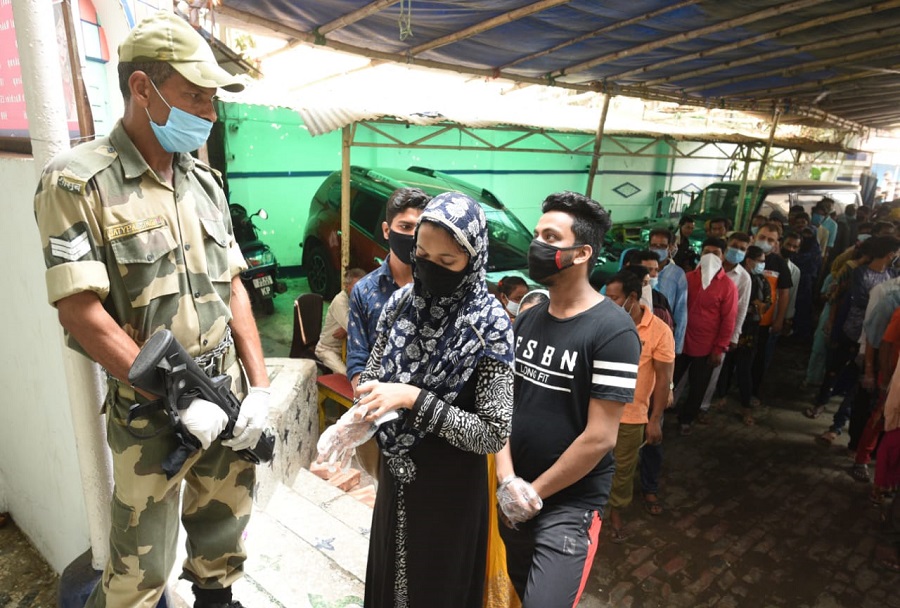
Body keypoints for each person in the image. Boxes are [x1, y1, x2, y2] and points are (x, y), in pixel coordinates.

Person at [33, 12, 269, 608]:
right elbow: (80, 311)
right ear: (144, 88)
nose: (210, 113)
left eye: (213, 98)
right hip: (152, 410)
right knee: (140, 567)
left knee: (223, 530)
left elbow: (234, 285)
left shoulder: (204, 180)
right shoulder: (78, 184)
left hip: (226, 392)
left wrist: (259, 389)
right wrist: (177, 396)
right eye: (196, 95)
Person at [351, 192, 515, 607]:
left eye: (447, 263)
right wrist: (357, 416)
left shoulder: (489, 324)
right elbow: (371, 376)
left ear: (474, 259)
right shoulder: (400, 303)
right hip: (397, 478)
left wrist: (411, 398)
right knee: (392, 581)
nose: (429, 269)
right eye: (422, 255)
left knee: (437, 587)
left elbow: (492, 434)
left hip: (451, 489)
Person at [496, 191, 641, 607]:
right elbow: (504, 403)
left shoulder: (613, 331)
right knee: (521, 591)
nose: (536, 244)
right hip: (515, 494)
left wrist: (533, 493)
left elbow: (600, 437)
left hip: (568, 506)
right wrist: (508, 482)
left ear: (581, 254)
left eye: (549, 236)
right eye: (537, 233)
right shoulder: (526, 320)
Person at [346, 187, 431, 479]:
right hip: (379, 420)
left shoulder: (440, 290)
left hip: (428, 418)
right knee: (385, 499)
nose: (412, 235)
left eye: (420, 229)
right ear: (386, 230)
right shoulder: (365, 291)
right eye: (405, 227)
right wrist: (369, 407)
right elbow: (357, 357)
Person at [603, 269, 674, 542]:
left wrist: (655, 419)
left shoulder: (659, 331)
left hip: (631, 415)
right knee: (590, 463)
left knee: (621, 470)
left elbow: (663, 378)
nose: (608, 303)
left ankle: (615, 513)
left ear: (632, 298)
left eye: (614, 298)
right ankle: (593, 512)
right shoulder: (604, 321)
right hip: (598, 409)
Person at [672, 238, 737, 435]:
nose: (710, 257)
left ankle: (687, 419)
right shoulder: (687, 278)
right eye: (706, 252)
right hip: (682, 342)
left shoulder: (727, 286)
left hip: (706, 346)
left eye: (715, 253)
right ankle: (661, 411)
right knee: (670, 380)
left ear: (723, 256)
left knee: (698, 386)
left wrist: (719, 348)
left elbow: (728, 320)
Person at [698, 232, 751, 416]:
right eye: (734, 246)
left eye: (742, 249)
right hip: (698, 327)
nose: (737, 251)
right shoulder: (705, 266)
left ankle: (702, 406)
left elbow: (741, 309)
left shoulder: (743, 278)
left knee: (713, 371)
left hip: (722, 331)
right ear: (726, 246)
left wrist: (733, 337)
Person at [751, 222, 793, 405]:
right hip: (740, 321)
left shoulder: (779, 264)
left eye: (770, 240)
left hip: (763, 322)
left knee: (758, 359)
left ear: (777, 243)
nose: (765, 242)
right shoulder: (746, 256)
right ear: (754, 236)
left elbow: (784, 293)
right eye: (762, 237)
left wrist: (779, 319)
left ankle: (752, 392)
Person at [315, 268, 365, 375]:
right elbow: (353, 328)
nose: (361, 289)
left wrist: (347, 330)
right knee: (348, 375)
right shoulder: (340, 301)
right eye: (356, 286)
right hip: (327, 349)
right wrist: (348, 329)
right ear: (347, 286)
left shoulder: (358, 298)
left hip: (346, 349)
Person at [649, 228, 688, 354]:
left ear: (670, 248)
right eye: (654, 245)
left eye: (662, 246)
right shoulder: (641, 268)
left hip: (664, 333)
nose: (657, 249)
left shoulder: (677, 274)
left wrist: (676, 346)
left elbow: (681, 311)